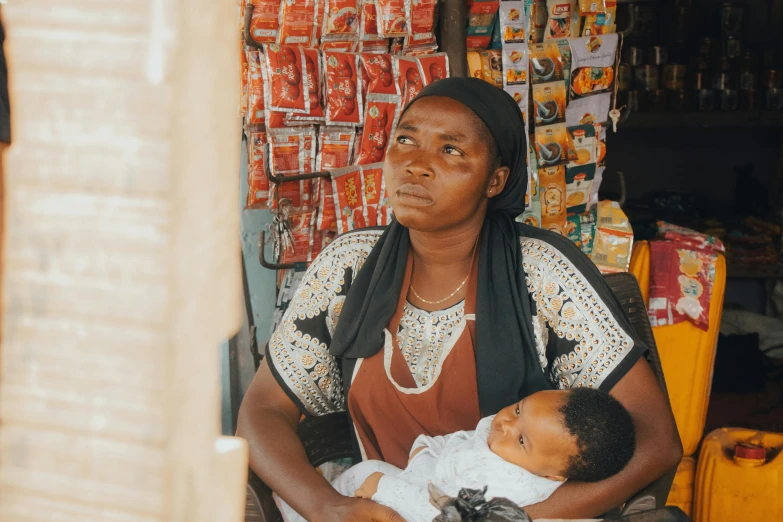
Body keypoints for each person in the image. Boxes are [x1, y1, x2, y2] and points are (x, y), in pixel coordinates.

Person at [237, 77, 682, 521]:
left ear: (496, 180)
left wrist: (516, 519)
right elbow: (262, 411)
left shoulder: (541, 270)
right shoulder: (347, 267)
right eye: (405, 139)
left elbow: (656, 440)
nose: (416, 164)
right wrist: (327, 506)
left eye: (450, 150)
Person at [277, 388, 636, 522]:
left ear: (552, 476)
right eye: (518, 409)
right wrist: (423, 451)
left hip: (421, 512)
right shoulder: (501, 440)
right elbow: (458, 440)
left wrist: (382, 488)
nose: (506, 426)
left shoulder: (508, 487)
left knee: (366, 473)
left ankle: (296, 512)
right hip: (424, 481)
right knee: (363, 474)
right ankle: (311, 505)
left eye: (523, 440)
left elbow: (441, 513)